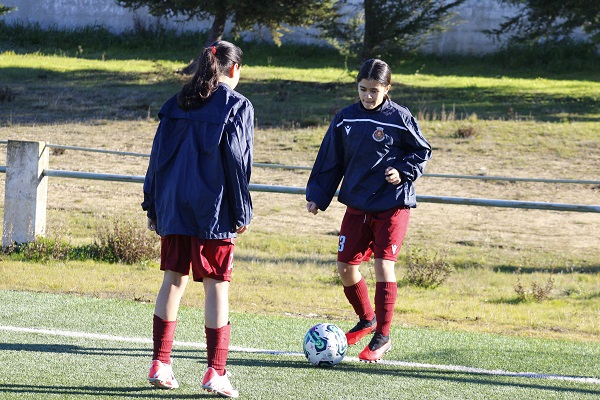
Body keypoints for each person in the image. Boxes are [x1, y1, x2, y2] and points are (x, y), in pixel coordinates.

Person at [141, 40, 253, 398]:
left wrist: (152, 204)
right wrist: (242, 210)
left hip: (173, 205)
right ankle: (216, 372)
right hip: (213, 209)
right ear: (234, 69)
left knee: (173, 280)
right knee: (217, 285)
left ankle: (160, 363)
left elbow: (156, 158)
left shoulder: (176, 102)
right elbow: (238, 162)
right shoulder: (238, 105)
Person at [305, 58, 431, 362]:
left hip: (392, 204)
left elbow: (421, 151)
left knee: (383, 265)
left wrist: (402, 170)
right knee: (346, 267)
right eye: (363, 89)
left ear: (387, 89)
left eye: (375, 90)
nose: (368, 96)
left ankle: (382, 336)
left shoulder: (399, 118)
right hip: (358, 204)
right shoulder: (346, 119)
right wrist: (317, 195)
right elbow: (329, 159)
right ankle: (367, 319)